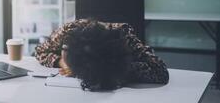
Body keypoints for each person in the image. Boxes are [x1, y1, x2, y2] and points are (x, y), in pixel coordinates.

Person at [35, 19, 169, 91]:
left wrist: (117, 68)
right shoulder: (68, 32)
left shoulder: (124, 37)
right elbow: (40, 50)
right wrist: (62, 62)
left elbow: (160, 71)